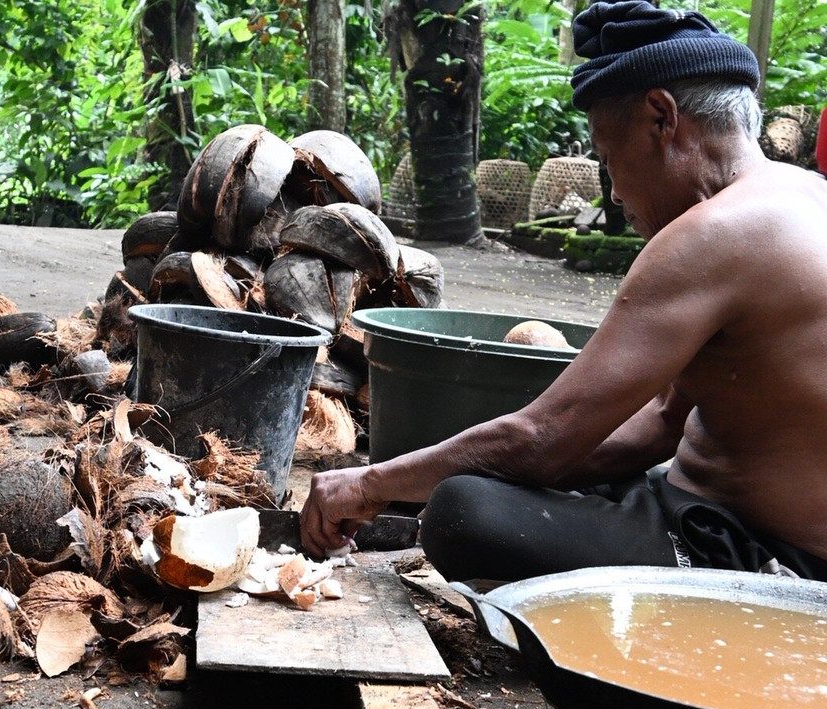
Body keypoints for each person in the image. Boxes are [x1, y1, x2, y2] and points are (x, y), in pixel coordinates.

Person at [300, 0, 827, 582]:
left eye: (606, 158)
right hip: (708, 508)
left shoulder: (715, 235)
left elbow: (542, 439)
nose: (616, 194)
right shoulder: (803, 195)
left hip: (763, 558)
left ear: (661, 117)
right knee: (483, 476)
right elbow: (662, 420)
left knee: (463, 511)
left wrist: (370, 483)